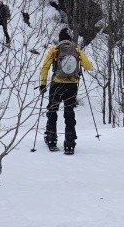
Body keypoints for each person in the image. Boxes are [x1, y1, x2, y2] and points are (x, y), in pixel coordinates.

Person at [38, 27, 94, 155]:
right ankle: (69, 143)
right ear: (70, 38)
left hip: (57, 84)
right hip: (72, 85)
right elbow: (89, 66)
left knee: (52, 110)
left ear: (60, 38)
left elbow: (45, 67)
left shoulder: (55, 50)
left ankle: (51, 139)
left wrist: (43, 84)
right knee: (69, 113)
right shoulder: (76, 50)